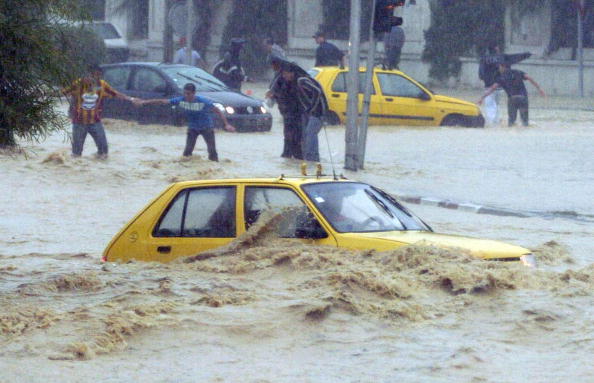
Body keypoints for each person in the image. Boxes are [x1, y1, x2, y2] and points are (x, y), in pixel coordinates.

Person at [136, 83, 235, 161]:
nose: (186, 96)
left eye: (188, 94)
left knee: (212, 151)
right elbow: (163, 101)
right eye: (185, 93)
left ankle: (215, 166)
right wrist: (145, 102)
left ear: (194, 93)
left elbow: (217, 110)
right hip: (192, 128)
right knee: (187, 151)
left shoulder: (203, 101)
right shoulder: (181, 100)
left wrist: (226, 124)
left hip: (206, 127)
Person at [63, 65, 135, 159]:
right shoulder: (78, 84)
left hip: (95, 121)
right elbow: (64, 92)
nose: (95, 78)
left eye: (98, 75)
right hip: (79, 122)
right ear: (86, 75)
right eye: (93, 75)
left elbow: (115, 93)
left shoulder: (102, 84)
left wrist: (131, 99)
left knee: (104, 151)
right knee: (76, 153)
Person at [279, 60, 328, 162]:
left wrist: (312, 108)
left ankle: (313, 159)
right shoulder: (293, 83)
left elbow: (317, 91)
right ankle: (307, 159)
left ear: (291, 73)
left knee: (310, 133)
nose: (284, 76)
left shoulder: (301, 80)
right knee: (305, 135)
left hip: (318, 112)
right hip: (308, 113)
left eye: (285, 74)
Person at [478, 63, 545, 127]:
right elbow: (529, 78)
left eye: (500, 67)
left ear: (503, 67)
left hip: (512, 99)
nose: (499, 69)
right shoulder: (518, 72)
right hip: (523, 98)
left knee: (511, 123)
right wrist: (539, 89)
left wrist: (482, 97)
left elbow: (492, 88)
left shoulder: (501, 78)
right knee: (525, 123)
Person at [266, 56, 303, 159]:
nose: (284, 76)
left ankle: (295, 154)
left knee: (294, 135)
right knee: (289, 135)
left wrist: (275, 95)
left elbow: (289, 95)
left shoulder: (295, 81)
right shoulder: (282, 78)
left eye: (285, 74)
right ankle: (289, 154)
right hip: (288, 113)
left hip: (295, 113)